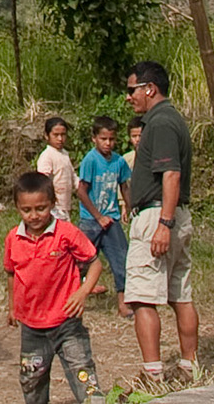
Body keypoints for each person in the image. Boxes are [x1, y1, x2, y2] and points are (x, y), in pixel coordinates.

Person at [122, 60, 197, 391]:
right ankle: (188, 365)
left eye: (131, 90)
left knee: (142, 297)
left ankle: (153, 374)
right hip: (171, 214)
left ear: (149, 88)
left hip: (158, 215)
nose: (128, 98)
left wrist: (163, 224)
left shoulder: (162, 122)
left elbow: (171, 174)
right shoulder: (168, 119)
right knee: (179, 292)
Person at [7, 169, 103, 404]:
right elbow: (12, 273)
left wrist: (83, 292)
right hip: (32, 327)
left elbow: (95, 263)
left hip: (67, 323)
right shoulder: (13, 238)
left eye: (41, 208)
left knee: (84, 378)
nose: (34, 216)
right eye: (26, 210)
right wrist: (12, 307)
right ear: (17, 208)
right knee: (32, 382)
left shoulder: (66, 233)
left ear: (52, 203)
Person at [75, 115, 131, 316]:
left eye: (112, 139)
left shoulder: (119, 161)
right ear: (94, 138)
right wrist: (98, 216)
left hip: (112, 218)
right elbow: (81, 191)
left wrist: (129, 208)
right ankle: (71, 296)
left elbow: (124, 185)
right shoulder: (90, 160)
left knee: (121, 259)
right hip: (91, 220)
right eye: (103, 139)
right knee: (81, 261)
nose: (108, 143)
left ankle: (123, 303)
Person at [38, 116, 77, 220]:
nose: (60, 139)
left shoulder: (64, 154)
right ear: (47, 136)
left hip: (65, 205)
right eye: (56, 135)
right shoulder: (47, 156)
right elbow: (42, 181)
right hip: (53, 208)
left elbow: (73, 176)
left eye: (63, 135)